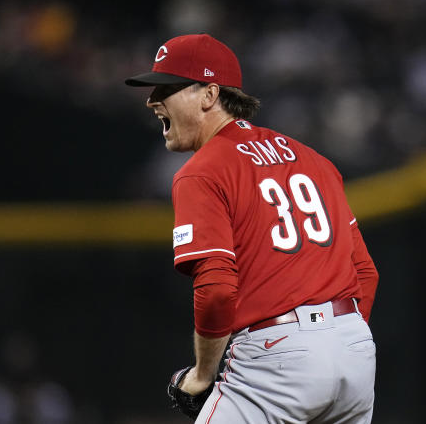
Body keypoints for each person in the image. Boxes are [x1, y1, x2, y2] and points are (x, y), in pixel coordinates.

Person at [125, 33, 379, 423]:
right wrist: (337, 341)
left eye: (167, 87)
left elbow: (215, 290)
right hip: (354, 352)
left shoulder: (203, 171)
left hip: (277, 357)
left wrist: (202, 375)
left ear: (209, 95)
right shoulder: (314, 160)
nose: (152, 100)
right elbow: (365, 272)